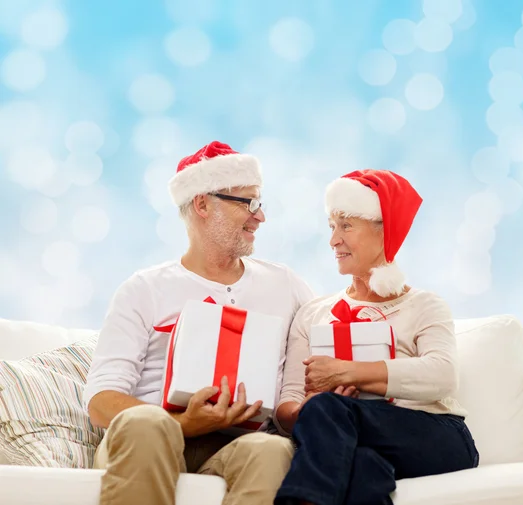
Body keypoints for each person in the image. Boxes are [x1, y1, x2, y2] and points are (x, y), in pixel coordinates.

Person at [83, 141, 315, 505]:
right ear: (203, 204)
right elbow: (101, 401)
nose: (261, 216)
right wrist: (182, 423)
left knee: (271, 450)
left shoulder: (285, 285)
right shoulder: (145, 288)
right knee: (148, 425)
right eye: (248, 203)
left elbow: (318, 346)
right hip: (151, 438)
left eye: (261, 204)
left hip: (235, 446)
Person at [273, 169, 479, 505]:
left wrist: (348, 372)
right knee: (363, 466)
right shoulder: (313, 313)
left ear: (385, 232)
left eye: (346, 225)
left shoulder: (423, 304)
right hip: (350, 437)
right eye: (332, 226)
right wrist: (303, 413)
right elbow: (288, 401)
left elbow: (442, 375)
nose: (333, 240)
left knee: (330, 410)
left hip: (437, 436)